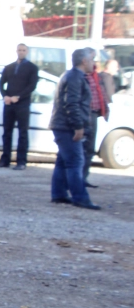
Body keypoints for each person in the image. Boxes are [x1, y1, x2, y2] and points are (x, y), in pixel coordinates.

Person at [50, 47, 98, 210]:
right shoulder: (75, 77)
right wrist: (78, 126)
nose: (94, 63)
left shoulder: (71, 75)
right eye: (92, 60)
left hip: (62, 124)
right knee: (75, 162)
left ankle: (59, 194)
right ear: (84, 61)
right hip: (67, 126)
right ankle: (80, 197)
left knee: (63, 161)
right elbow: (72, 103)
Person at [0, 42, 38, 170]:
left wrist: (18, 97)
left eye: (23, 50)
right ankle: (5, 160)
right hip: (9, 104)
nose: (21, 52)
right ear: (16, 51)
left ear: (27, 52)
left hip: (23, 104)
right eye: (19, 50)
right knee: (6, 132)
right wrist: (5, 96)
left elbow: (32, 86)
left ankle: (21, 161)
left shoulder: (32, 68)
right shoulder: (9, 67)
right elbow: (1, 83)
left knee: (23, 133)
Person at [83, 58, 109, 188]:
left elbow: (101, 93)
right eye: (92, 59)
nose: (94, 62)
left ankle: (83, 177)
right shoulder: (81, 77)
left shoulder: (95, 76)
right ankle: (77, 179)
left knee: (90, 149)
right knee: (83, 148)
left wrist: (105, 108)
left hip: (94, 114)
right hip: (85, 114)